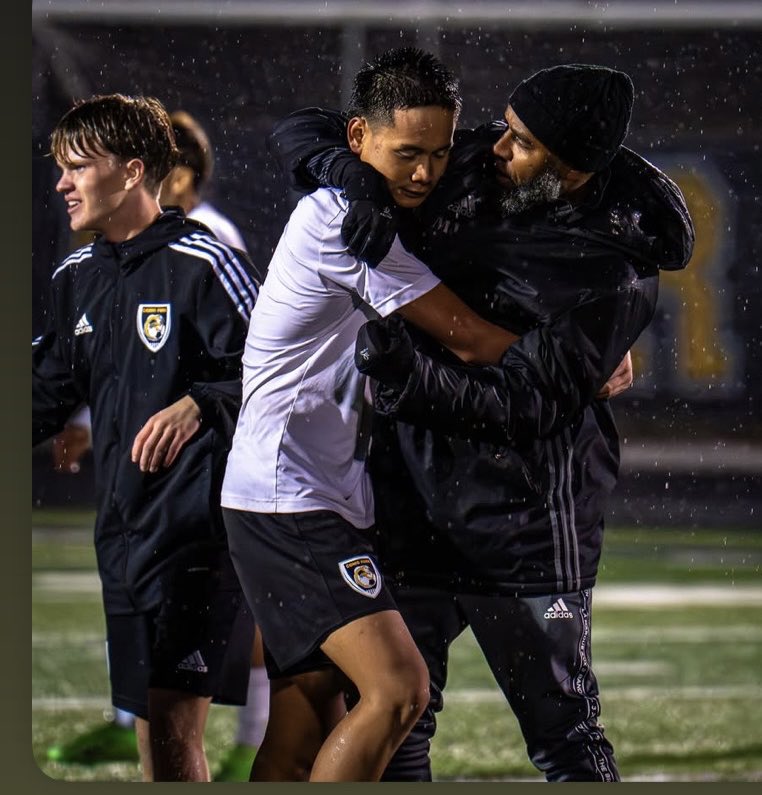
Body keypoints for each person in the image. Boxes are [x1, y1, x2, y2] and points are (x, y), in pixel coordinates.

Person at [267, 62, 694, 781]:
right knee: (399, 715)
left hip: (526, 519)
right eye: (505, 127)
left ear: (572, 170)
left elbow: (525, 405)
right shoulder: (479, 163)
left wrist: (409, 377)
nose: (496, 146)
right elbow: (300, 128)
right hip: (410, 497)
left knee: (562, 734)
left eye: (522, 142)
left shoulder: (613, 272)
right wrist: (355, 175)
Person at [220, 46, 530, 782]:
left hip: (310, 491)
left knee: (303, 723)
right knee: (399, 689)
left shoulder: (373, 195)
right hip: (288, 497)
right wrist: (591, 353)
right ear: (358, 139)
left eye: (440, 152)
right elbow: (472, 337)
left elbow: (308, 133)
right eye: (407, 154)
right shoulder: (342, 223)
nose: (425, 172)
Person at [33, 93, 262, 781]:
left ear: (133, 172)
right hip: (121, 529)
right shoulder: (78, 277)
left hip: (195, 532)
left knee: (171, 722)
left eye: (77, 168)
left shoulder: (204, 262)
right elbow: (45, 391)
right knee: (153, 733)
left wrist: (199, 402)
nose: (61, 184)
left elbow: (277, 376)